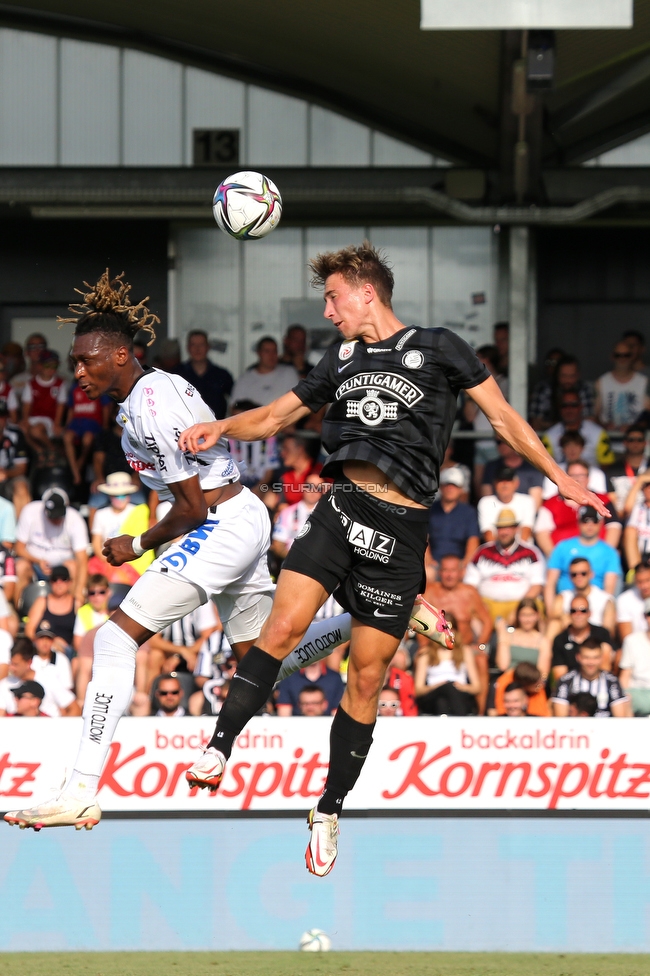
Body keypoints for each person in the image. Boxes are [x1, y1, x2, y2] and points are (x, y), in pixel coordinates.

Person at [175, 240, 604, 876]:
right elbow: (276, 417)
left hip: (401, 533)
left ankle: (328, 807)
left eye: (333, 296)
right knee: (282, 628)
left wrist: (559, 478)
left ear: (365, 291)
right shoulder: (342, 356)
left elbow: (508, 421)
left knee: (368, 678)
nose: (327, 311)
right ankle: (218, 748)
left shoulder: (440, 347)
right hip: (341, 509)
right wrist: (220, 427)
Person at [4, 270, 353, 833]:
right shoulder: (145, 394)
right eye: (74, 362)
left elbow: (189, 509)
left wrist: (134, 543)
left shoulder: (151, 408)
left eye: (86, 360)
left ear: (121, 355)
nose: (79, 372)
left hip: (216, 523)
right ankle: (372, 618)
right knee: (261, 662)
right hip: (237, 517)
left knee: (114, 638)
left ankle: (81, 789)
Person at [419, 553, 492, 712]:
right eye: (445, 570)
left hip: (464, 647)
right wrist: (425, 645)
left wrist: (479, 646)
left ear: (461, 572)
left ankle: (481, 713)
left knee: (481, 660)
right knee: (420, 657)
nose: (449, 575)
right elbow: (419, 619)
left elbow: (487, 621)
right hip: (435, 646)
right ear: (439, 572)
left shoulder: (469, 592)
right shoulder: (431, 591)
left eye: (453, 570)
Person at [464, 509, 546, 624]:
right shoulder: (482, 552)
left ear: (516, 529)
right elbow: (470, 586)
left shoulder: (531, 552)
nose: (504, 532)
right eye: (500, 528)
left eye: (508, 527)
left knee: (535, 607)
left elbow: (537, 585)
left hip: (520, 603)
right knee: (467, 609)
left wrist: (519, 608)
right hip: (488, 604)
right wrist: (480, 605)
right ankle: (476, 642)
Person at [14, 488, 89, 607]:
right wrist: (38, 561)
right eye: (52, 516)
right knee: (20, 566)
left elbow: (82, 559)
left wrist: (80, 592)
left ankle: (72, 609)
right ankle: (19, 609)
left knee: (73, 566)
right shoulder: (30, 511)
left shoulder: (75, 520)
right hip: (35, 565)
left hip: (63, 567)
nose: (55, 520)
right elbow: (18, 548)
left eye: (58, 516)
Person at [534, 460, 619, 556]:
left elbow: (614, 527)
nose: (577, 479)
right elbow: (541, 532)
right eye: (573, 475)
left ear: (588, 478)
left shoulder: (602, 500)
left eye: (582, 475)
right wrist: (556, 559)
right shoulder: (551, 504)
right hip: (564, 559)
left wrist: (604, 555)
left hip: (597, 556)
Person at [544, 505, 622, 602]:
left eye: (594, 521)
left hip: (596, 605)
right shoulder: (562, 547)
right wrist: (552, 613)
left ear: (601, 523)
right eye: (585, 521)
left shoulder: (609, 552)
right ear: (578, 522)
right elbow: (550, 583)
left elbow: (609, 588)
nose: (590, 525)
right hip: (565, 604)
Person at [413, 613, 480, 716]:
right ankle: (460, 722)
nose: (447, 632)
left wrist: (463, 687)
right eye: (443, 628)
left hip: (459, 691)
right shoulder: (426, 653)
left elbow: (476, 687)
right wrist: (439, 686)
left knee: (443, 702)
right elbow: (418, 690)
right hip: (433, 692)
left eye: (450, 628)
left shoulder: (465, 651)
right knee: (446, 689)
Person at [552, 637, 628, 717]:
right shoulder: (566, 681)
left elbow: (620, 718)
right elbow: (560, 719)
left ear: (601, 658)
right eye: (586, 658)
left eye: (595, 658)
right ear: (578, 657)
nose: (591, 663)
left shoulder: (611, 681)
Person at [545, 556, 616, 642]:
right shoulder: (563, 597)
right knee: (554, 623)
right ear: (570, 577)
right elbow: (553, 621)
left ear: (591, 574)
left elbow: (608, 632)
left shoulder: (605, 599)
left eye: (583, 573)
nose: (579, 577)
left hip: (595, 642)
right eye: (574, 574)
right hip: (569, 639)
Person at [541, 389, 614, 468]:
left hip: (591, 478)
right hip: (559, 478)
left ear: (581, 407)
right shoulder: (549, 435)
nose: (569, 409)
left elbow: (607, 464)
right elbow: (544, 465)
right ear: (559, 408)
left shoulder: (598, 433)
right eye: (564, 405)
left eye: (574, 405)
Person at [551, 595, 613, 681]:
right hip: (571, 687)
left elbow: (605, 666)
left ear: (589, 613)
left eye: (583, 611)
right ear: (569, 614)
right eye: (574, 611)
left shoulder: (602, 634)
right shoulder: (560, 639)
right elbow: (560, 676)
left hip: (598, 683)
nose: (578, 614)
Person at [176, 330, 234, 420]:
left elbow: (235, 402)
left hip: (216, 429)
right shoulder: (177, 374)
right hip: (184, 429)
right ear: (188, 348)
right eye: (193, 345)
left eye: (201, 345)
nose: (197, 349)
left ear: (208, 347)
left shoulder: (222, 375)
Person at [62, 380, 111, 485]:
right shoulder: (75, 388)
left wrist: (105, 425)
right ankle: (76, 473)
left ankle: (81, 461)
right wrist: (67, 425)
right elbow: (71, 408)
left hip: (93, 422)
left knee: (87, 439)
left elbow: (106, 407)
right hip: (77, 421)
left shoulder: (99, 386)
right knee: (67, 437)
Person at [427, 468, 479, 567]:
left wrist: (465, 563)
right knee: (427, 574)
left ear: (461, 489)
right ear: (441, 487)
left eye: (454, 485)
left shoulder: (469, 512)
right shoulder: (430, 510)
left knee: (470, 577)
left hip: (459, 565)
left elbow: (473, 540)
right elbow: (424, 539)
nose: (450, 489)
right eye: (447, 485)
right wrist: (429, 561)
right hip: (435, 564)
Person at [271, 472, 327, 562]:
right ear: (303, 487)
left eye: (318, 488)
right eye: (309, 486)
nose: (313, 491)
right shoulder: (287, 513)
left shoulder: (328, 515)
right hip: (290, 563)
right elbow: (278, 546)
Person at [529, 356, 595, 432]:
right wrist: (560, 427)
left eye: (571, 376)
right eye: (564, 376)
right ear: (557, 375)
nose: (568, 380)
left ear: (578, 375)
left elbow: (590, 421)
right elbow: (536, 424)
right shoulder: (543, 389)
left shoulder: (585, 390)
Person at [595, 340, 649, 432]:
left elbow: (648, 415)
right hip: (608, 436)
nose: (622, 359)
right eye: (618, 355)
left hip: (635, 440)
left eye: (626, 355)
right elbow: (594, 416)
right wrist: (604, 425)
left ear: (632, 357)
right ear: (612, 357)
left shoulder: (644, 382)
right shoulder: (601, 382)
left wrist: (633, 427)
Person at [230, 336, 300, 407]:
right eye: (267, 351)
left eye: (274, 351)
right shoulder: (244, 380)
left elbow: (296, 404)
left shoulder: (289, 373)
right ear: (259, 353)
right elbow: (235, 409)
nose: (271, 355)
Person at [541, 431, 607, 501]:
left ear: (582, 448)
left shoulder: (597, 474)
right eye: (568, 446)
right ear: (562, 449)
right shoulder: (553, 472)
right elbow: (548, 499)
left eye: (576, 445)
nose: (572, 450)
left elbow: (602, 499)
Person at [480, 438, 543, 508]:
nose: (500, 445)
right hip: (497, 515)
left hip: (524, 515)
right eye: (498, 442)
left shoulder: (532, 468)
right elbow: (487, 502)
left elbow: (535, 506)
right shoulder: (491, 467)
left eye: (504, 441)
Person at [477, 465, 535, 541]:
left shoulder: (527, 501)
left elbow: (526, 531)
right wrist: (503, 552)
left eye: (508, 480)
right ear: (494, 484)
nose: (504, 484)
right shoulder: (485, 503)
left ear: (516, 483)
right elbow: (488, 534)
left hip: (522, 550)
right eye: (500, 480)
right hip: (496, 551)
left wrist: (513, 551)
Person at [495, 598, 550, 678]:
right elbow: (503, 665)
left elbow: (543, 673)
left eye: (531, 615)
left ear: (537, 615)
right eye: (523, 615)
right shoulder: (508, 636)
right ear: (518, 616)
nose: (527, 620)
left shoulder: (543, 641)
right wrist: (502, 634)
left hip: (532, 681)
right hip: (510, 681)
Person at [25, 565, 76, 650]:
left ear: (69, 582)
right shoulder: (41, 602)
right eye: (55, 580)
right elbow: (29, 630)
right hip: (42, 647)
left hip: (68, 651)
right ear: (50, 583)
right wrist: (46, 644)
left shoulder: (77, 603)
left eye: (63, 579)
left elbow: (81, 634)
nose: (59, 583)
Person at [276, 659, 344, 717]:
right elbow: (284, 716)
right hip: (295, 727)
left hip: (327, 727)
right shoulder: (289, 678)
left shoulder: (334, 678)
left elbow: (337, 714)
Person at [605, 424, 647, 517]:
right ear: (625, 443)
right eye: (631, 440)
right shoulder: (612, 470)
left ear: (645, 443)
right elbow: (615, 508)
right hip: (622, 520)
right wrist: (640, 481)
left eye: (639, 440)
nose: (635, 443)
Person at [619, 602, 650, 715]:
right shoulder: (631, 640)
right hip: (638, 692)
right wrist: (622, 696)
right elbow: (625, 675)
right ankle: (626, 732)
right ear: (644, 616)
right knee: (625, 699)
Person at [0, 404, 30, 516]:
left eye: (1, 416)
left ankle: (22, 532)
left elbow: (22, 468)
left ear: (6, 418)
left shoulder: (15, 434)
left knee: (21, 487)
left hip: (9, 478)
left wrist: (5, 473)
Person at [616, 560, 650, 641]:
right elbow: (627, 639)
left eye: (648, 580)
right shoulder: (624, 600)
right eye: (640, 582)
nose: (644, 586)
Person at [623, 473, 650, 572]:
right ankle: (635, 573)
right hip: (638, 554)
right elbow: (627, 508)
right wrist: (640, 480)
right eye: (647, 485)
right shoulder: (637, 507)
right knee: (630, 530)